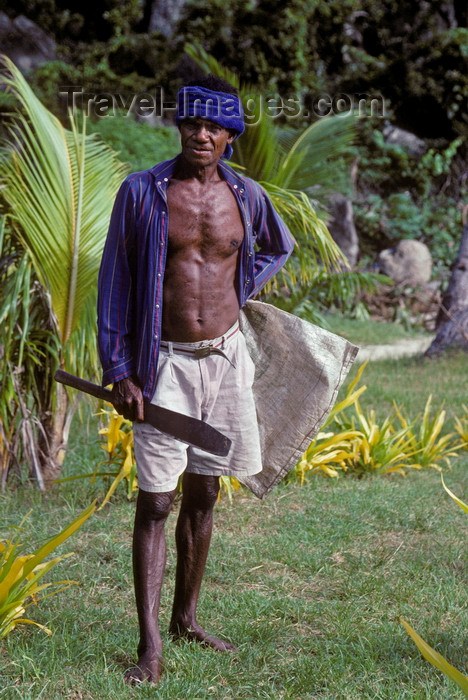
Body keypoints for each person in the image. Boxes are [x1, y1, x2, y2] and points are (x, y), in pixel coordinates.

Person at [97, 74, 295, 684]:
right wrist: (119, 367)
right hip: (165, 365)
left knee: (206, 493)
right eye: (191, 124)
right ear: (178, 126)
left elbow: (276, 248)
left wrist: (240, 291)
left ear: (230, 136)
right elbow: (115, 283)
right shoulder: (143, 193)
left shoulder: (248, 196)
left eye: (213, 126)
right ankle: (150, 644)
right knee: (157, 500)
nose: (200, 135)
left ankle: (187, 618)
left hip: (226, 359)